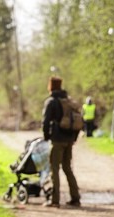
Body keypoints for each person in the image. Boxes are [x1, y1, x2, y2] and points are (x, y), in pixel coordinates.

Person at [42, 76, 81, 207]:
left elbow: (46, 121)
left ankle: (54, 200)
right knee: (67, 168)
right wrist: (73, 137)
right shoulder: (68, 101)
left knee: (54, 168)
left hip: (57, 139)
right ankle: (75, 197)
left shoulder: (51, 101)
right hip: (69, 139)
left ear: (51, 86)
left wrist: (46, 136)